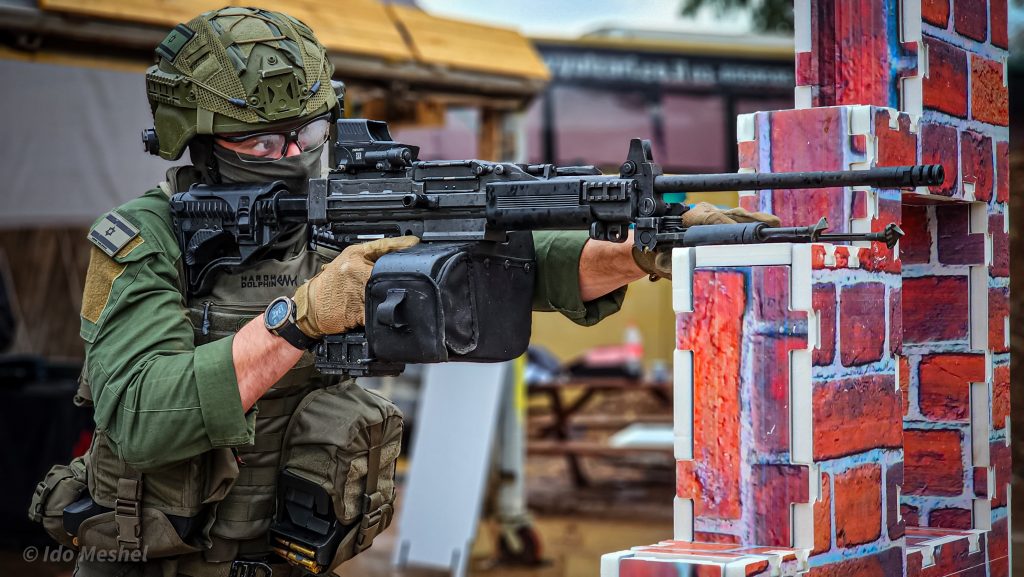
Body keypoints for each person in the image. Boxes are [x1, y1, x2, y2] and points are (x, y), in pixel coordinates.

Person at [29, 7, 777, 576]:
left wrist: (642, 250)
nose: (293, 155)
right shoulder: (145, 238)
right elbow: (141, 418)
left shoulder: (337, 210)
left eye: (308, 135)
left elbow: (527, 262)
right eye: (262, 141)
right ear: (196, 140)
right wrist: (299, 321)